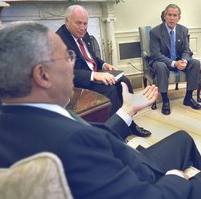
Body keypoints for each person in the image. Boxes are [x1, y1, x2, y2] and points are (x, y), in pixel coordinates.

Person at [0, 21, 201, 199]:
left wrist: (127, 111)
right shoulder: (73, 144)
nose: (72, 65)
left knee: (183, 138)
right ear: (43, 75)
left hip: (127, 167)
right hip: (156, 192)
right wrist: (176, 179)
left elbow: (88, 138)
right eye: (67, 56)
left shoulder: (12, 122)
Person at [56, 5, 151, 137]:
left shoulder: (84, 34)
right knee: (111, 89)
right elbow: (64, 73)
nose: (83, 27)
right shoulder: (58, 40)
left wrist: (104, 64)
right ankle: (116, 133)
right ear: (66, 21)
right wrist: (95, 75)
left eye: (85, 23)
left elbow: (91, 57)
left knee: (124, 80)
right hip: (78, 83)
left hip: (94, 75)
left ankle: (130, 122)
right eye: (78, 23)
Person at [149, 4, 201, 115]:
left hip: (178, 60)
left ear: (179, 18)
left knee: (195, 63)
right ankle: (165, 100)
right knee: (160, 66)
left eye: (175, 15)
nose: (172, 18)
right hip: (162, 61)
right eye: (169, 15)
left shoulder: (183, 30)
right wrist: (174, 63)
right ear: (164, 16)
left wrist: (184, 61)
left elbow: (186, 50)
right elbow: (155, 54)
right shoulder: (155, 32)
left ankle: (188, 98)